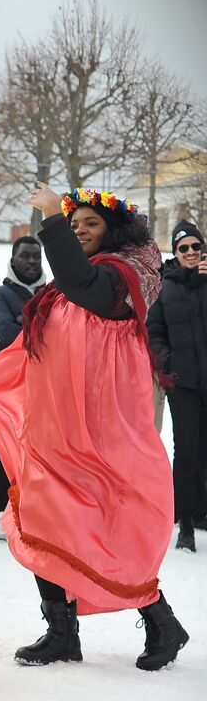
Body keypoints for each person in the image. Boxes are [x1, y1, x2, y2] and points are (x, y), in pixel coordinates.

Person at [0, 184, 189, 671]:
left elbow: (82, 285)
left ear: (115, 231)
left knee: (111, 529)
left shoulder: (122, 278)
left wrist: (50, 217)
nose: (80, 230)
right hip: (54, 431)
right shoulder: (66, 286)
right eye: (73, 225)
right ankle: (61, 632)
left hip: (102, 438)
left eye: (91, 223)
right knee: (46, 522)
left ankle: (161, 621)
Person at [147, 219, 207, 552]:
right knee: (186, 452)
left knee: (205, 453)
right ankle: (184, 521)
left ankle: (200, 511)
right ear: (175, 251)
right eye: (183, 247)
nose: (190, 252)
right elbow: (153, 334)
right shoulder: (164, 287)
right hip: (182, 385)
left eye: (196, 246)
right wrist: (170, 364)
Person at [0, 235, 46, 540]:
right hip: (12, 385)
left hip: (47, 382)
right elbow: (6, 332)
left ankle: (38, 511)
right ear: (13, 258)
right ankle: (0, 508)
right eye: (26, 256)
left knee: (42, 448)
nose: (32, 262)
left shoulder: (53, 293)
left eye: (36, 256)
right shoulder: (0, 294)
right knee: (8, 446)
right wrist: (49, 335)